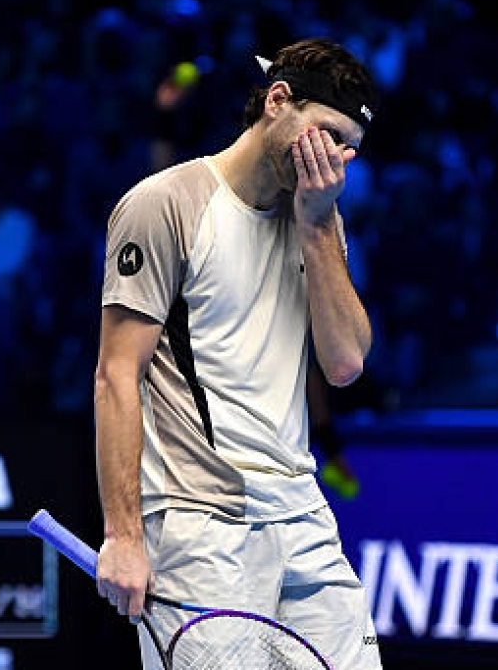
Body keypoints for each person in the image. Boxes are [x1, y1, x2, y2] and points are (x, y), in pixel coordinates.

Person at [92, 38, 383, 668]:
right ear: (279, 101)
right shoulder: (164, 204)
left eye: (347, 148)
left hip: (304, 513)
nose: (334, 158)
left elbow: (344, 363)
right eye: (328, 133)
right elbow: (117, 377)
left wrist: (317, 224)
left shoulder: (319, 216)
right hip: (199, 523)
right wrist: (123, 536)